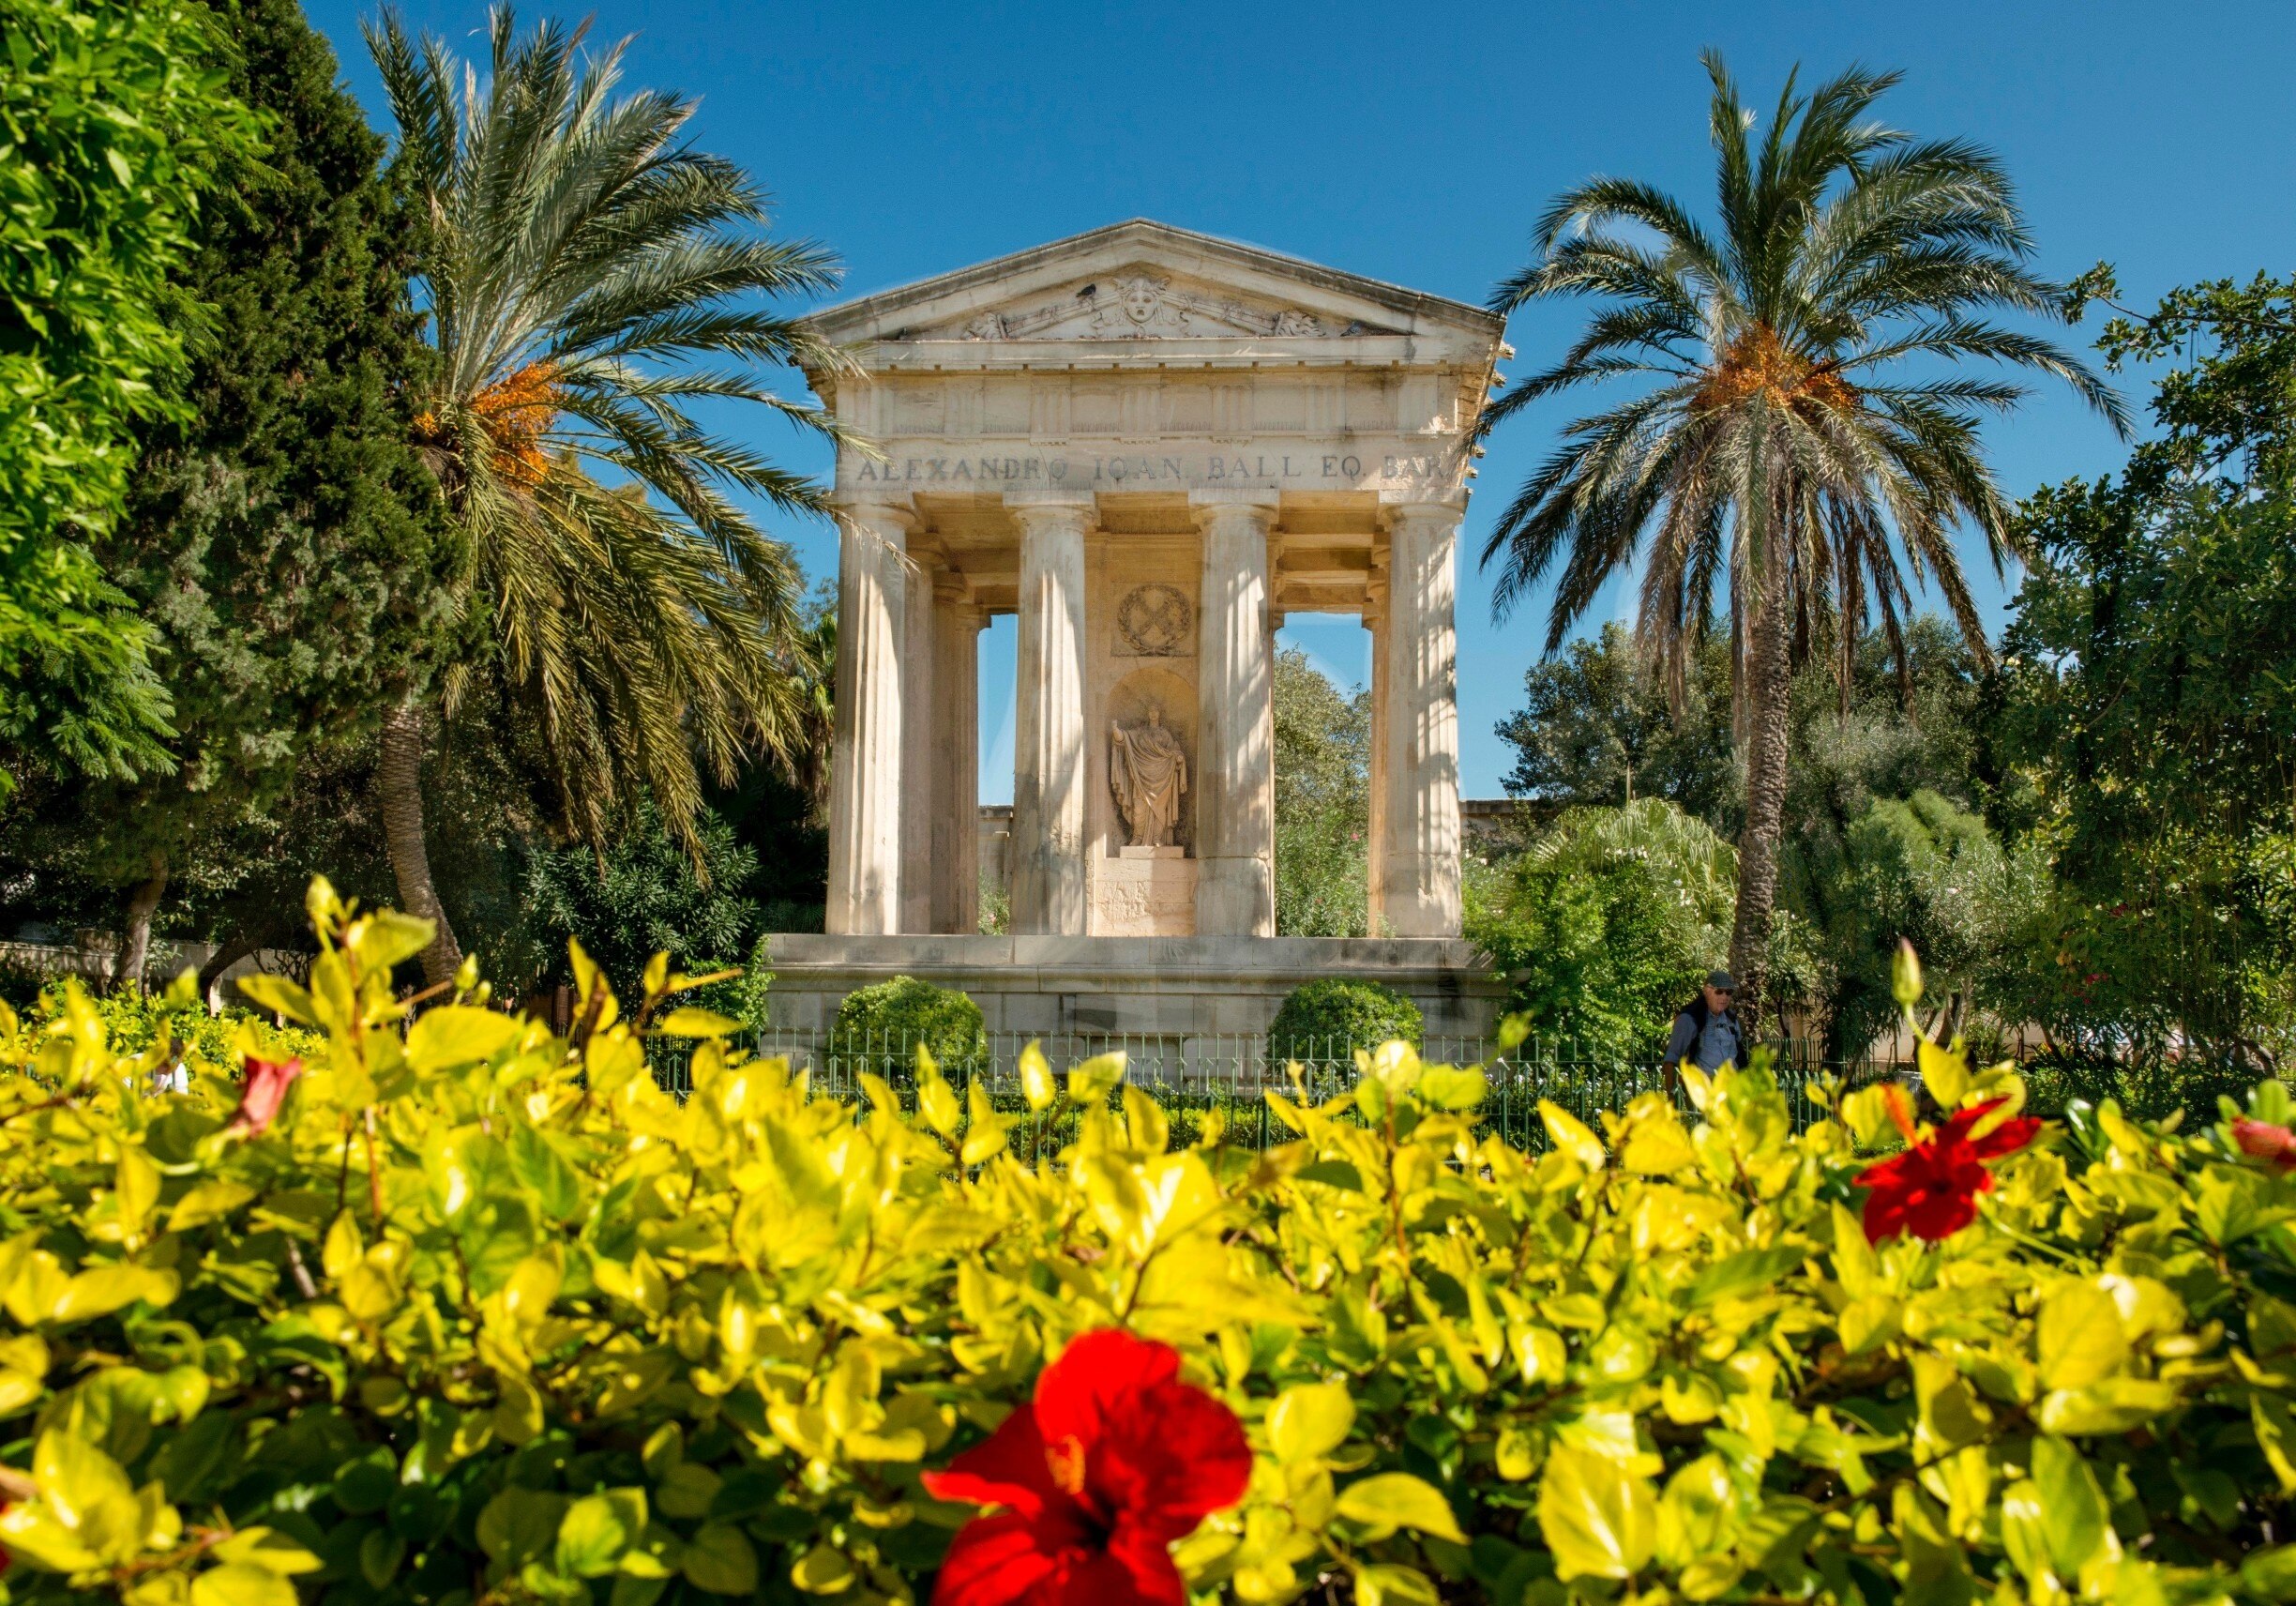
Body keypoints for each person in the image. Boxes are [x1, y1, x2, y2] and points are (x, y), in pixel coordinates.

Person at [1663, 969, 1742, 1089]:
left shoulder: (1732, 1019)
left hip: (1732, 1087)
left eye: (1729, 992)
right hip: (1702, 1090)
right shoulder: (1689, 1019)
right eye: (1719, 991)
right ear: (1706, 991)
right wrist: (1671, 1096)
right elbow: (1671, 1058)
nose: (1724, 997)